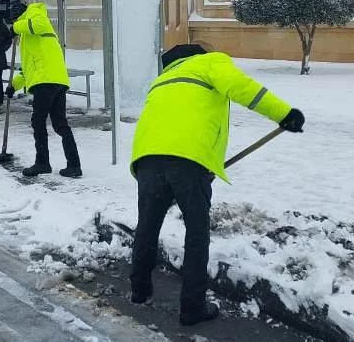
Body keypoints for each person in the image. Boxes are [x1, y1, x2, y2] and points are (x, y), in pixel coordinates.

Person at [128, 43, 304, 326]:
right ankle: (192, 307)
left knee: (147, 226)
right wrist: (284, 114)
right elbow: (243, 88)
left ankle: (138, 290)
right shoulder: (210, 63)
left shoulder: (161, 81)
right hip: (189, 160)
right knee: (197, 234)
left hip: (147, 159)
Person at [4, 2, 82, 178]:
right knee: (60, 124)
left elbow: (37, 24)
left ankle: (42, 163)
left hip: (46, 80)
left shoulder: (36, 15)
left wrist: (15, 27)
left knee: (38, 122)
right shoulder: (29, 36)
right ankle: (74, 165)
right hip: (55, 80)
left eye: (15, 18)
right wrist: (13, 87)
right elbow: (27, 69)